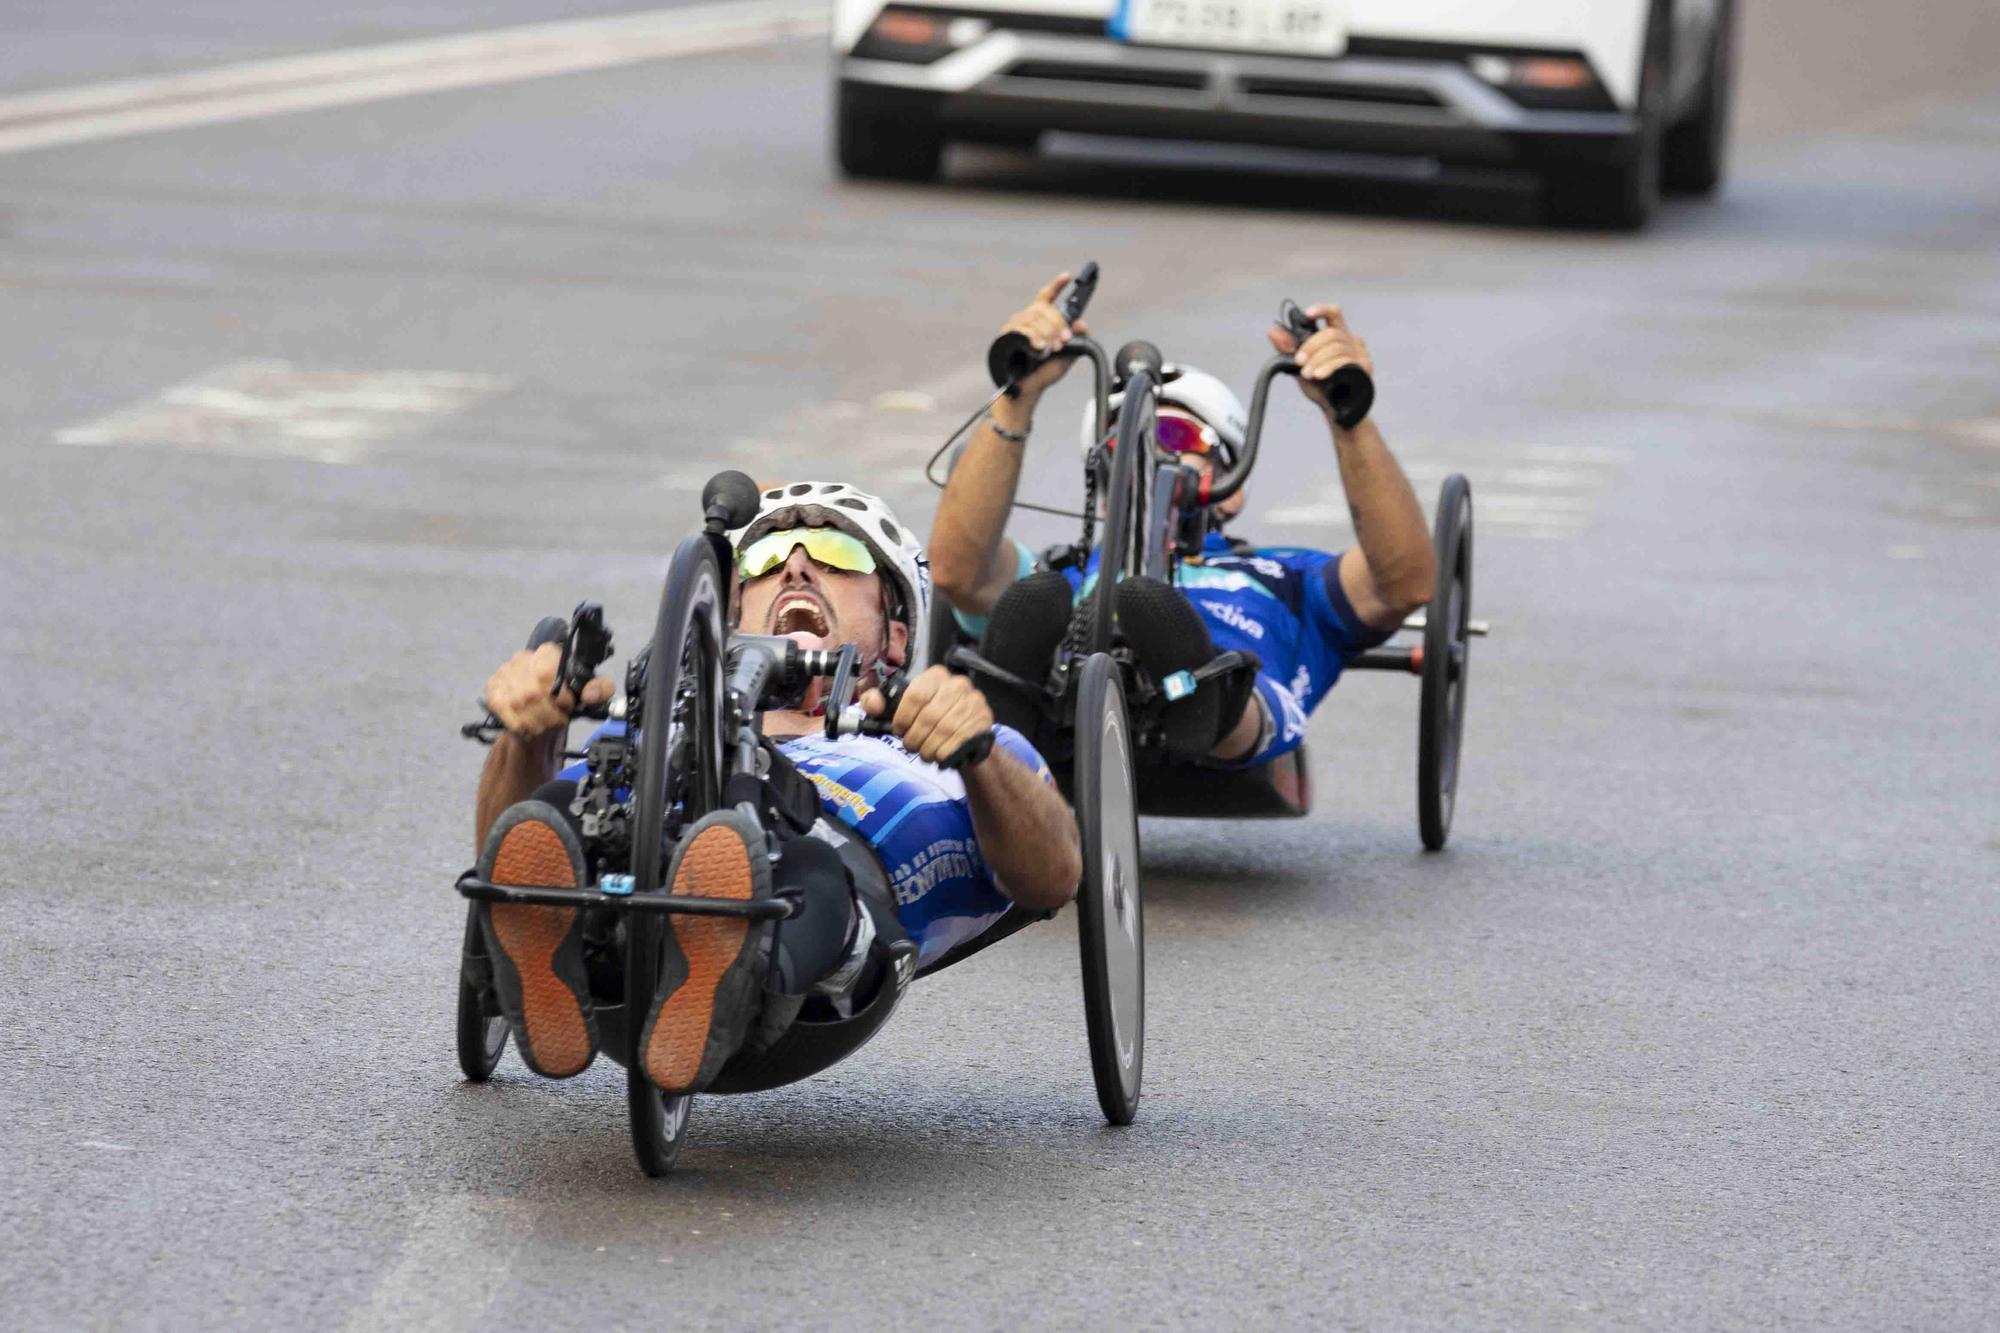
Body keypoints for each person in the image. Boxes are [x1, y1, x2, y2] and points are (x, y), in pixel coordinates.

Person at [470, 481, 1081, 1095]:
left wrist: (975, 751)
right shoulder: (649, 727)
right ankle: (560, 944)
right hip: (623, 925)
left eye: (837, 554)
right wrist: (525, 734)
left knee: (803, 864)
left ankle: (725, 965)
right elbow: (503, 835)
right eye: (765, 558)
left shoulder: (943, 741)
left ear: (896, 631)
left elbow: (1053, 876)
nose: (795, 564)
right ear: (732, 613)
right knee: (555, 814)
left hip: (810, 958)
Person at [928, 275, 1437, 767]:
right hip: (1064, 706)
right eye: (1120, 446)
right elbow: (957, 573)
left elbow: (1403, 586)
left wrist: (1348, 415)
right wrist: (1018, 394)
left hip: (1224, 713)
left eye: (1174, 434)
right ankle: (1012, 714)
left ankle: (1196, 690)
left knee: (1220, 673)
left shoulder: (1288, 579)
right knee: (1031, 603)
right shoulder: (1063, 574)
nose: (1148, 455)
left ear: (1231, 482)